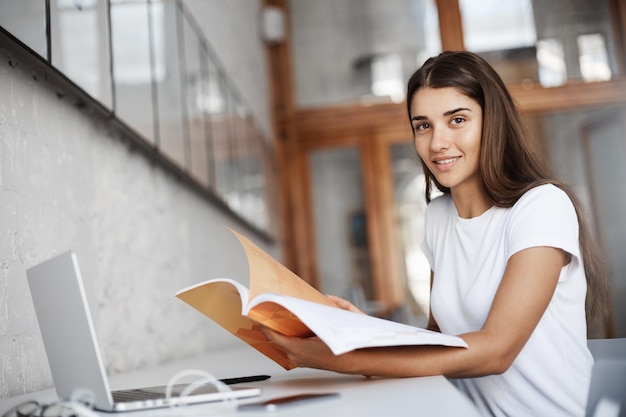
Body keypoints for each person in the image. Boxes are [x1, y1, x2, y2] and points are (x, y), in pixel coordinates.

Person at [263, 51, 609, 417]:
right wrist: (358, 329)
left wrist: (343, 359)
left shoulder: (542, 206)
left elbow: (497, 351)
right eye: (423, 125)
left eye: (457, 120)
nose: (437, 143)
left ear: (493, 123)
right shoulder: (438, 217)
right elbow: (437, 338)